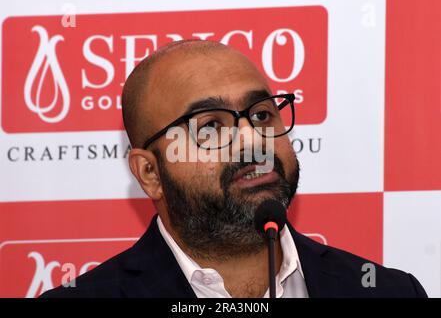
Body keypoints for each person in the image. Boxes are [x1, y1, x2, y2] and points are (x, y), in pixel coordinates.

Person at [41, 40, 427, 298]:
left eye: (261, 114)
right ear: (150, 173)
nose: (251, 140)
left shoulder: (389, 291)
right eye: (210, 126)